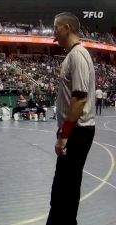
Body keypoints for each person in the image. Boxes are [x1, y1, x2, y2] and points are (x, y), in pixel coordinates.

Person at [47, 12, 96, 225]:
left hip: (77, 131)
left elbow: (79, 99)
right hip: (73, 129)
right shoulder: (73, 55)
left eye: (55, 28)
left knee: (64, 188)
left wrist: (64, 136)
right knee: (65, 187)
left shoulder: (78, 55)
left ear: (66, 28)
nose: (53, 33)